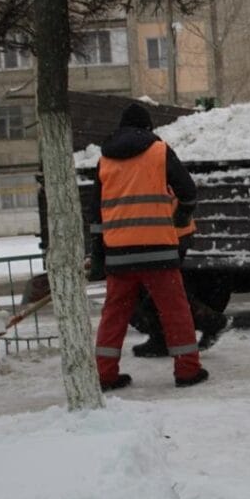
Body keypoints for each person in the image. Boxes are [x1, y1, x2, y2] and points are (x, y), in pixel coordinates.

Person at [88, 102, 208, 390]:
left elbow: (95, 215)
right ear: (148, 128)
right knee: (175, 311)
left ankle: (104, 374)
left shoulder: (105, 160)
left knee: (114, 315)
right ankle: (187, 371)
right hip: (158, 251)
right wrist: (180, 216)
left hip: (118, 255)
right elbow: (188, 192)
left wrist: (97, 256)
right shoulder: (158, 150)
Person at [130, 200, 227, 358]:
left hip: (162, 230)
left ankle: (210, 322)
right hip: (159, 228)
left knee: (158, 291)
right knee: (157, 290)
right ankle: (164, 336)